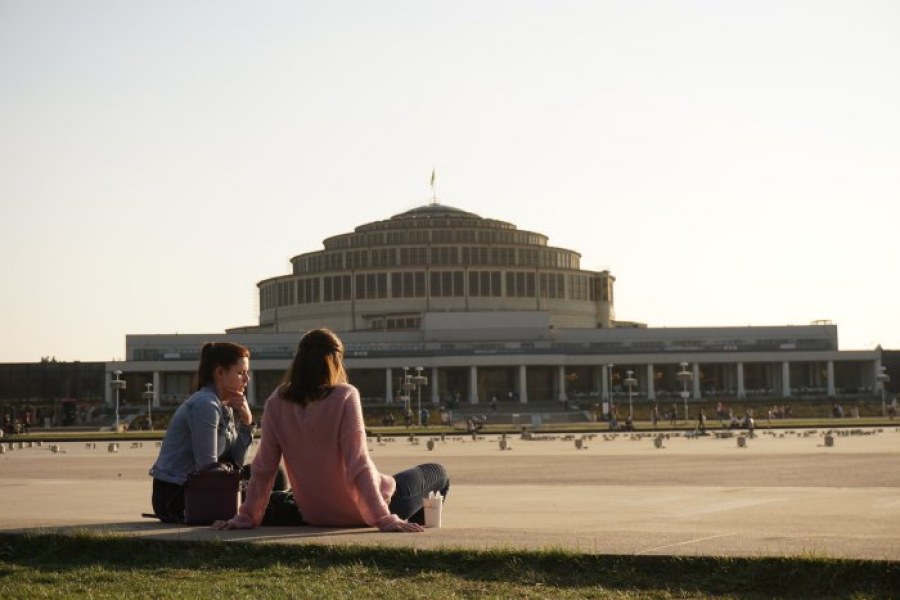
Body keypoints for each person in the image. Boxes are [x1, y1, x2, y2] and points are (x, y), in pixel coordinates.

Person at [213, 328, 449, 533]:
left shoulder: (277, 401)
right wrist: (383, 518)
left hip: (316, 514)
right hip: (368, 511)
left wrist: (246, 516)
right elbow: (358, 464)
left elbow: (264, 468)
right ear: (335, 360)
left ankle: (408, 526)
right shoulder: (345, 395)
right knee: (437, 472)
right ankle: (414, 531)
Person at [149, 342, 261, 523]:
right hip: (178, 495)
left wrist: (247, 420)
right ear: (219, 373)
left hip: (202, 486)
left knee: (266, 472)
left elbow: (236, 460)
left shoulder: (225, 405)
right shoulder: (205, 404)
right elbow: (207, 466)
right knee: (260, 479)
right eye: (240, 373)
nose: (247, 379)